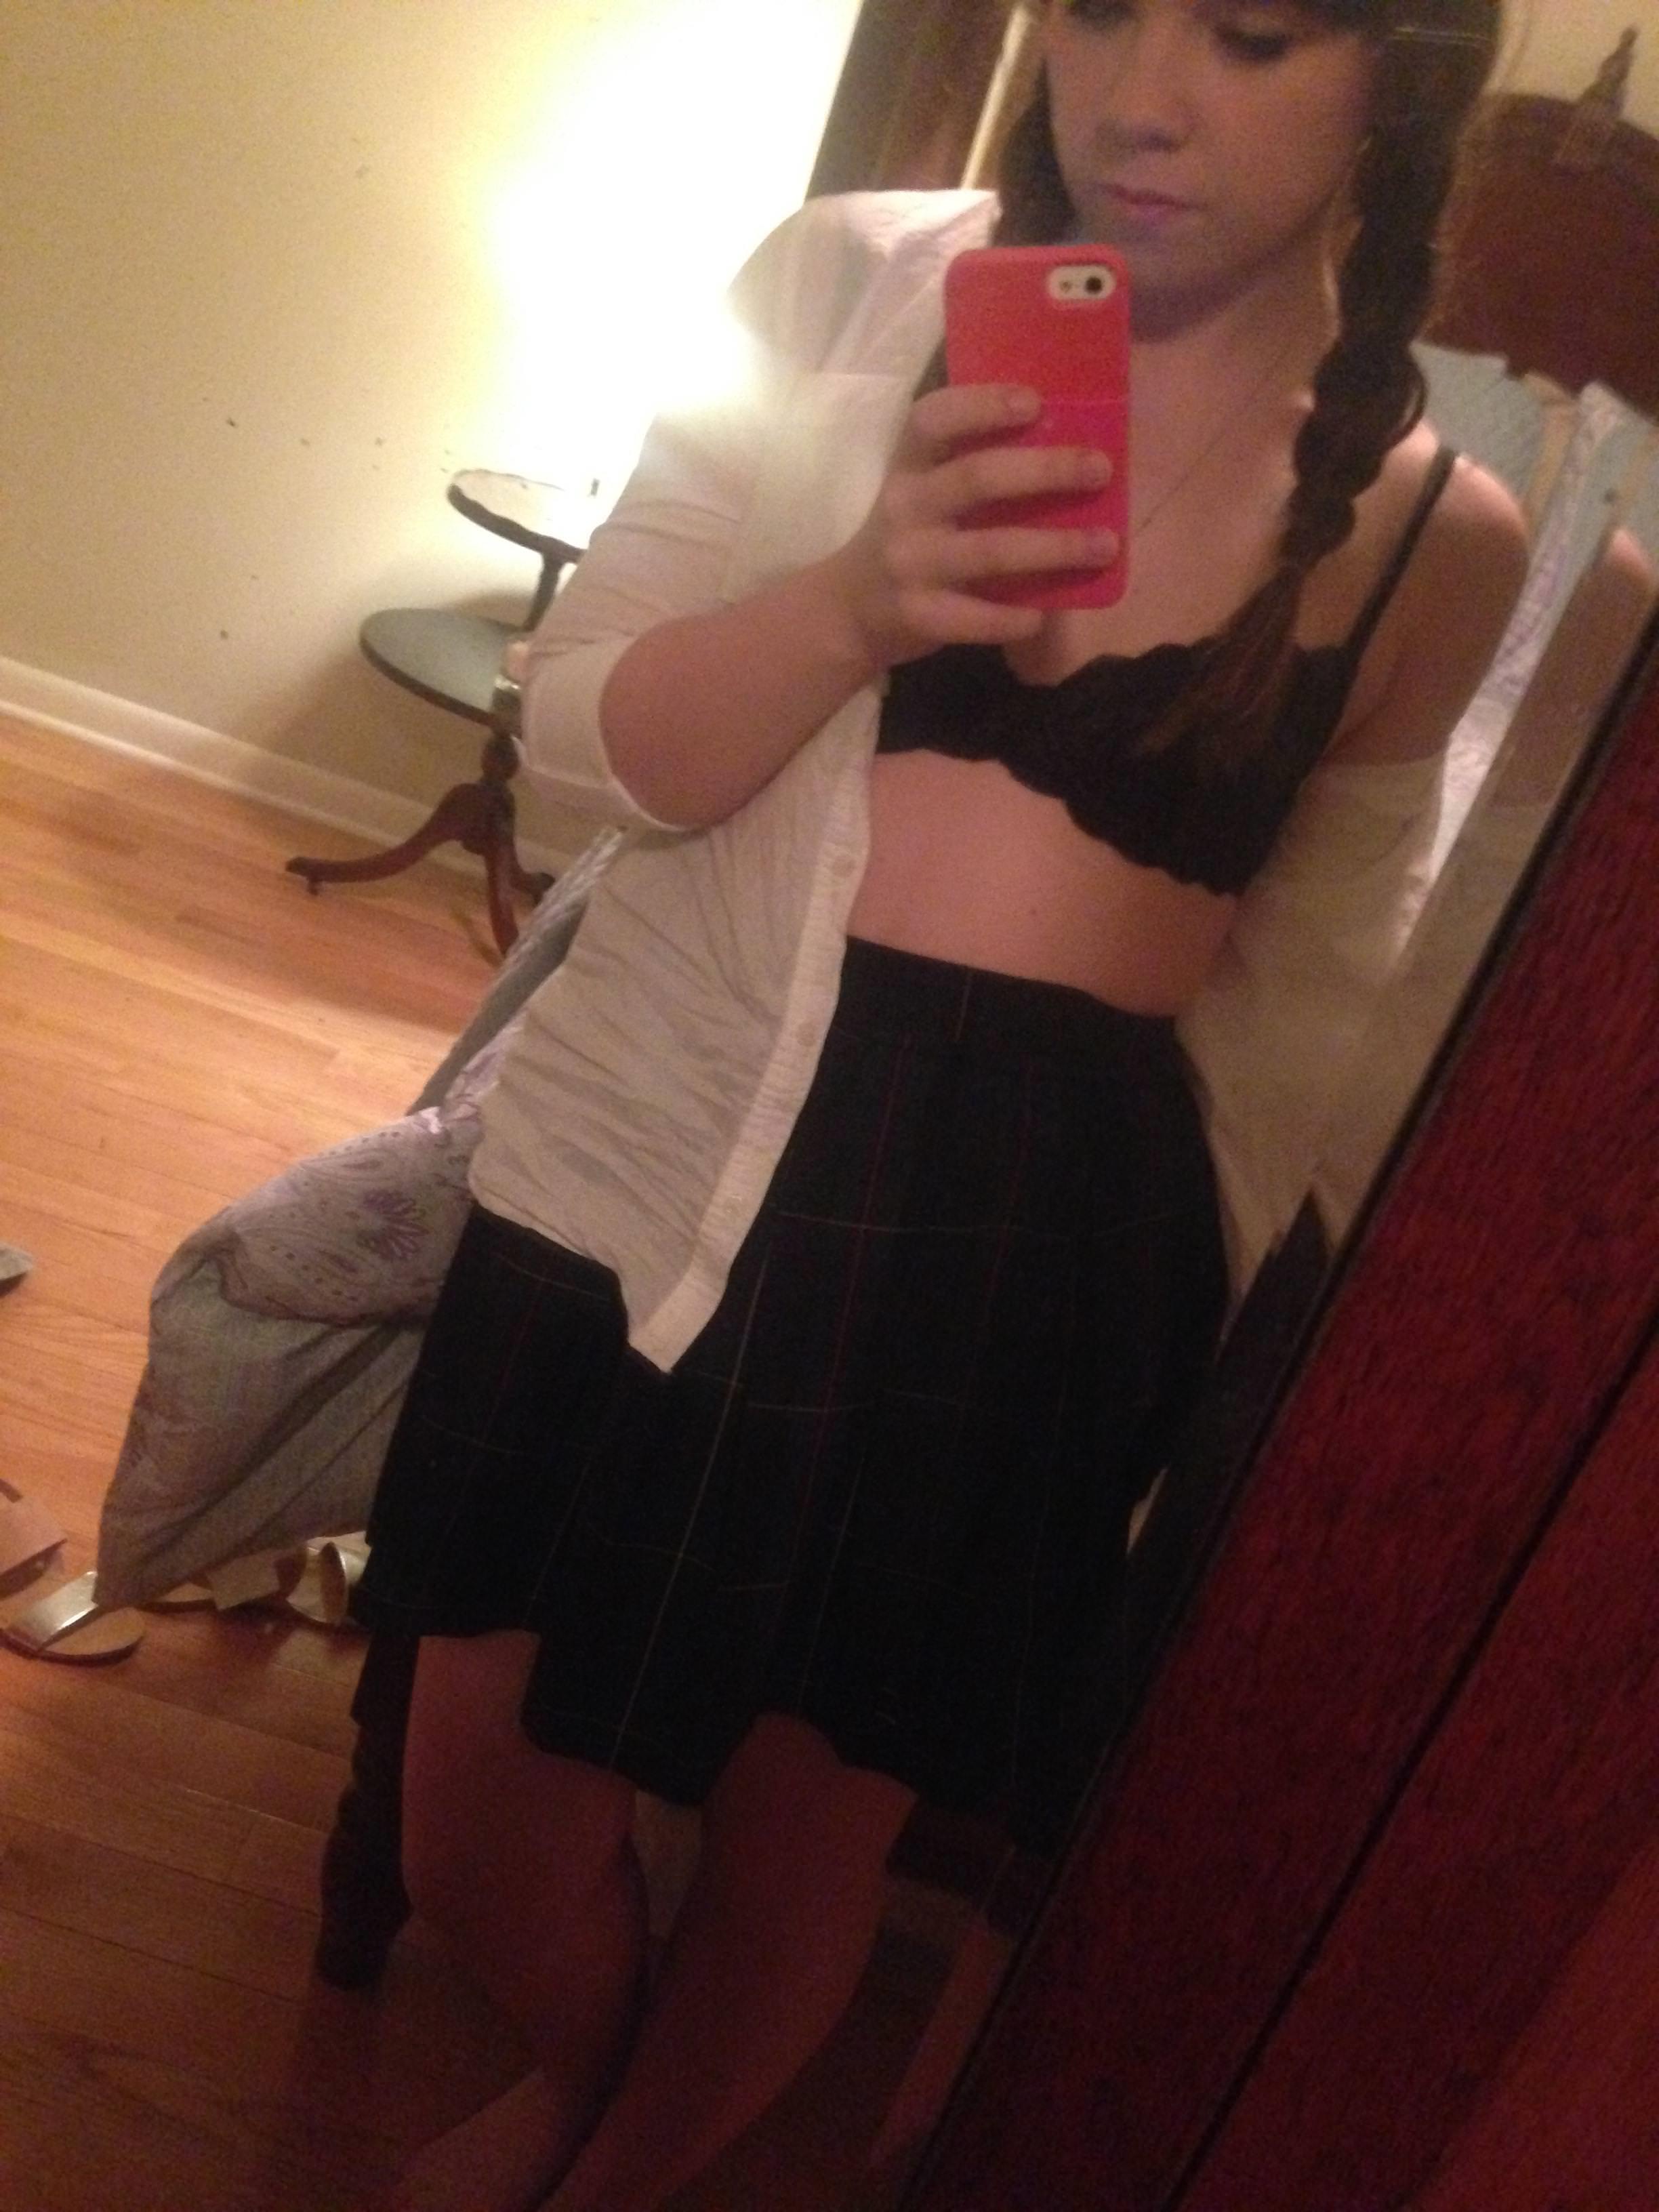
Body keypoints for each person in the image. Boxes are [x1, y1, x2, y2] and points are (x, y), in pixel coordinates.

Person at [352, 4, 1525, 2207]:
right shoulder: (842, 291)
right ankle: (593, 2071)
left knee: (812, 1823)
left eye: (1251, 35)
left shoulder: (1432, 535)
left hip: (1024, 1232)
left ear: (1403, 76)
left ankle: (608, 2174)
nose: (1141, 98)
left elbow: (1305, 1016)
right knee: (475, 1804)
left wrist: (1183, 1366)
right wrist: (855, 601)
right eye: (1100, 8)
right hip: (669, 1119)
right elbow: (587, 754)